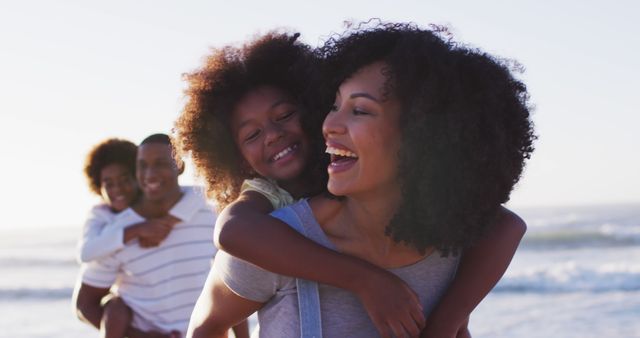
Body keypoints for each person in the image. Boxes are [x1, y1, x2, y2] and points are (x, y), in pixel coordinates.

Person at [178, 23, 534, 337]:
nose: (273, 135)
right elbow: (232, 235)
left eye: (285, 115)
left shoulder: (446, 230)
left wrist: (447, 320)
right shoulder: (274, 224)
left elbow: (505, 226)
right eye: (251, 135)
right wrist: (366, 280)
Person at [73, 134, 249, 338]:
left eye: (160, 163)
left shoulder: (207, 211)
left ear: (180, 166)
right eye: (143, 166)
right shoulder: (116, 233)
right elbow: (85, 305)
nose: (150, 174)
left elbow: (232, 283)